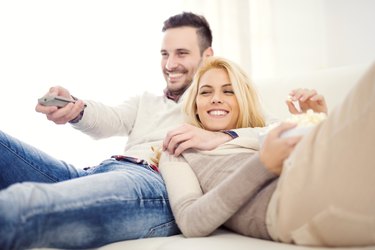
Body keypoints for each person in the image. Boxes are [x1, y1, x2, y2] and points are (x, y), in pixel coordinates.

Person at [0, 12, 240, 249]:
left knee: (25, 204)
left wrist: (222, 135)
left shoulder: (224, 103)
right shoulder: (146, 101)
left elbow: (271, 130)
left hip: (153, 185)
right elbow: (112, 118)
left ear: (207, 56)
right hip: (102, 171)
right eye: (165, 54)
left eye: (182, 53)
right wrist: (76, 108)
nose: (170, 64)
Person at [158, 56, 375, 247]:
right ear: (195, 104)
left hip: (329, 176)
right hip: (286, 204)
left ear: (243, 100)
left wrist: (317, 122)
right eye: (205, 92)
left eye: (229, 91)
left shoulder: (265, 132)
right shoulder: (180, 148)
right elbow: (190, 221)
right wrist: (262, 164)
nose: (216, 98)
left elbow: (313, 155)